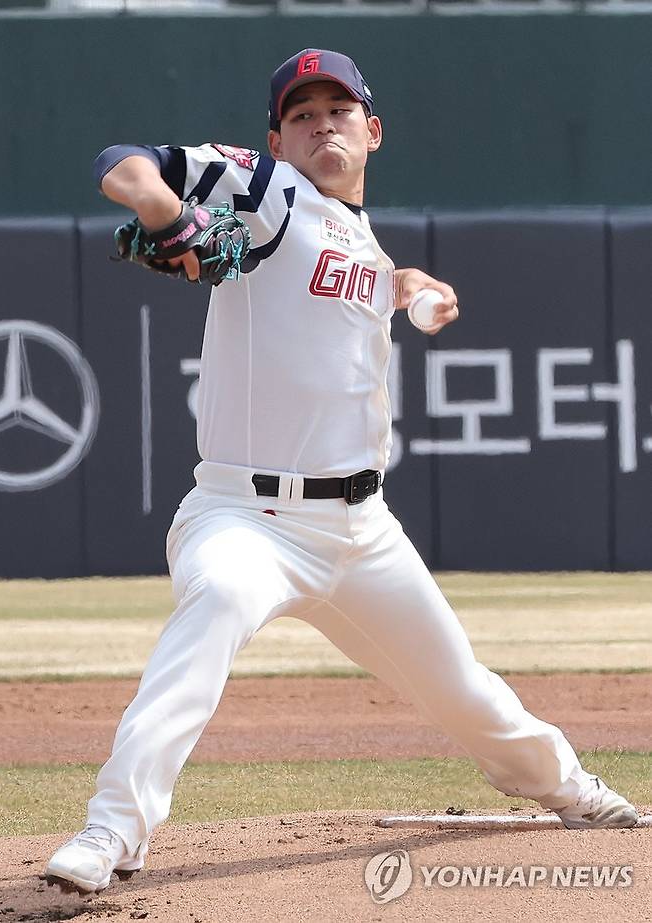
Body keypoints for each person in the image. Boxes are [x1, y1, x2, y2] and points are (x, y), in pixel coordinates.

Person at [45, 48, 637, 896]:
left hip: (362, 532)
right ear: (277, 141)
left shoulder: (356, 235)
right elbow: (124, 162)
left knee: (461, 688)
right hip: (247, 518)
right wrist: (167, 211)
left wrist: (407, 286)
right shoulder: (270, 192)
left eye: (339, 110)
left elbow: (352, 281)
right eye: (302, 114)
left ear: (372, 130)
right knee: (213, 609)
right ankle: (112, 830)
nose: (322, 124)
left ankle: (570, 787)